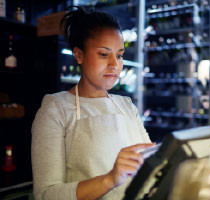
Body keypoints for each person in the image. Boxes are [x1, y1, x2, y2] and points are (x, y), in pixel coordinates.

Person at [31, 7, 155, 200]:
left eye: (120, 55)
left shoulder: (126, 105)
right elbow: (46, 194)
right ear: (79, 55)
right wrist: (110, 179)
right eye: (104, 54)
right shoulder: (56, 108)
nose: (115, 64)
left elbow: (150, 165)